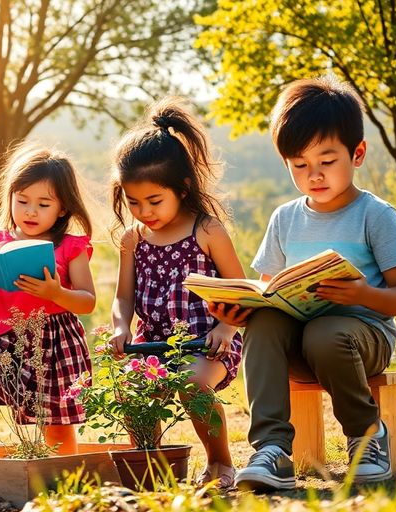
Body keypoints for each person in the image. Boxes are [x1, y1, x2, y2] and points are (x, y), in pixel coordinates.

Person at [212, 77, 396, 490]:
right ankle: (271, 450)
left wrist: (362, 294)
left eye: (326, 161)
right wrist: (238, 311)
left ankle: (367, 437)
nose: (314, 175)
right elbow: (269, 291)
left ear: (357, 153)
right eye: (299, 165)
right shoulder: (285, 218)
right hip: (300, 342)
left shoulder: (375, 215)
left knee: (326, 331)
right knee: (266, 324)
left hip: (362, 341)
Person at [107, 97, 245, 489]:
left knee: (191, 381)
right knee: (130, 391)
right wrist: (120, 328)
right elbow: (123, 297)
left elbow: (240, 290)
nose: (144, 211)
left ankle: (220, 464)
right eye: (133, 202)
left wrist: (225, 328)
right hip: (150, 344)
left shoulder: (207, 230)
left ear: (182, 189)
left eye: (154, 201)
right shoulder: (133, 238)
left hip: (208, 341)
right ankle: (150, 468)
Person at [0, 142, 95, 458]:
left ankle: (65, 476)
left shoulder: (71, 247)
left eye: (43, 204)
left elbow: (87, 301)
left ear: (63, 208)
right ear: (9, 197)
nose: (30, 211)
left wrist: (56, 293)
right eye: (22, 200)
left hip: (50, 338)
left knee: (55, 420)